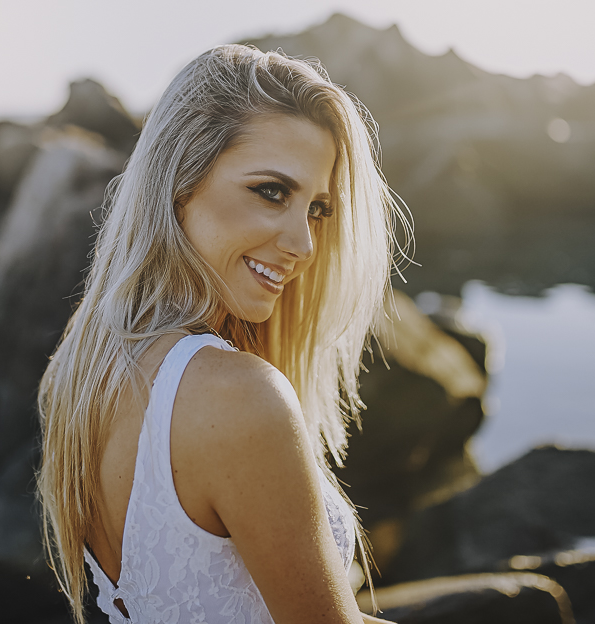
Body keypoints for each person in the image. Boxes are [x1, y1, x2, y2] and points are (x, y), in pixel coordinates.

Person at [37, 44, 408, 623]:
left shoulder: (87, 367)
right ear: (180, 178)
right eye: (271, 191)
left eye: (317, 208)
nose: (304, 245)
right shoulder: (240, 397)